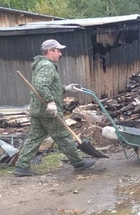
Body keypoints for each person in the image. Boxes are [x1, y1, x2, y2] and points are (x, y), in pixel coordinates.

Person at [13, 39, 97, 177]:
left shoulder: (41, 64)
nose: (60, 53)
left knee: (34, 138)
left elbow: (49, 87)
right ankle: (78, 163)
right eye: (58, 50)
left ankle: (21, 166)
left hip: (39, 109)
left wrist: (66, 88)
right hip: (48, 111)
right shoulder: (46, 66)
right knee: (63, 136)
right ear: (50, 51)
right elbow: (40, 85)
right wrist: (50, 102)